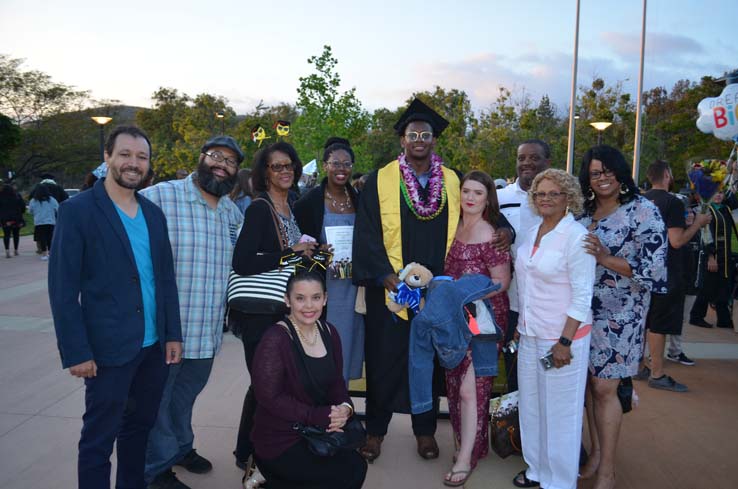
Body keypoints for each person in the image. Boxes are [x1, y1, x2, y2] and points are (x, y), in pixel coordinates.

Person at [352, 98, 514, 462]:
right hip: (393, 290)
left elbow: (481, 210)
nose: (420, 139)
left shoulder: (453, 181)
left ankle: (424, 431)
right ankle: (375, 431)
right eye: (413, 134)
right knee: (383, 360)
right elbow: (366, 233)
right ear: (403, 141)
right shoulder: (379, 180)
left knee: (431, 360)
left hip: (439, 293)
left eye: (426, 134)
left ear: (434, 141)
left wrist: (505, 230)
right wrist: (386, 276)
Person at [48, 125, 183, 489]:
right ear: (107, 157)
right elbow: (62, 289)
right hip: (107, 350)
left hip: (153, 348)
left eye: (141, 157)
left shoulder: (153, 214)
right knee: (98, 438)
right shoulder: (77, 211)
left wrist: (172, 334)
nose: (133, 163)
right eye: (125, 154)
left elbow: (165, 279)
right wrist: (76, 351)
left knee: (138, 430)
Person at [140, 135, 245, 489]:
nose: (222, 165)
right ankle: (156, 470)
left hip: (206, 333)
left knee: (183, 399)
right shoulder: (160, 197)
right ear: (201, 157)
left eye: (231, 162)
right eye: (216, 156)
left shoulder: (232, 212)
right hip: (165, 331)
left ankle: (182, 448)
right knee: (158, 401)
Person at [577, 146, 667, 489]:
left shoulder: (643, 212)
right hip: (582, 309)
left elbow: (654, 272)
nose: (602, 178)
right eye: (595, 173)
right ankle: (597, 452)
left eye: (608, 171)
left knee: (604, 387)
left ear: (621, 172)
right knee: (587, 384)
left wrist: (605, 257)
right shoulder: (582, 212)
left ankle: (607, 471)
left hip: (622, 313)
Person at [231, 142, 319, 470]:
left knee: (268, 384)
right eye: (276, 166)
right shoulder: (259, 208)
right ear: (264, 173)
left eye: (289, 165)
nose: (285, 171)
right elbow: (242, 262)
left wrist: (309, 252)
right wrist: (292, 252)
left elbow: (289, 254)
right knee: (266, 385)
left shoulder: (287, 207)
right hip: (258, 313)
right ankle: (250, 454)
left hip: (277, 311)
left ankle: (250, 450)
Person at [511, 169, 595, 489]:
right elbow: (526, 282)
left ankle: (559, 481)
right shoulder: (532, 232)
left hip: (562, 339)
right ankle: (536, 471)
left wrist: (565, 342)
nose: (545, 199)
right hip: (530, 333)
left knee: (561, 415)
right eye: (539, 194)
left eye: (553, 193)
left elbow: (583, 295)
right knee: (531, 408)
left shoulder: (577, 237)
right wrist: (521, 325)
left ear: (568, 198)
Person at [250, 270, 367, 488]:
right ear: (287, 300)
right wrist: (320, 416)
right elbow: (270, 399)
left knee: (356, 466)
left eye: (316, 297)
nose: (309, 306)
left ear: (325, 299)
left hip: (315, 430)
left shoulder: (329, 332)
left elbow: (336, 384)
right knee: (343, 476)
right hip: (279, 437)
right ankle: (264, 472)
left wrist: (344, 409)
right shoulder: (274, 340)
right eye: (300, 298)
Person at [441, 170, 510, 486]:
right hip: (453, 319)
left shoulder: (491, 233)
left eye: (477, 193)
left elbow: (501, 282)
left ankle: (466, 459)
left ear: (487, 198)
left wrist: (466, 293)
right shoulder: (451, 227)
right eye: (465, 191)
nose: (469, 197)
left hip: (483, 319)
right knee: (456, 386)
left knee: (472, 389)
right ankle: (467, 444)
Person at [294, 137, 364, 383]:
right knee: (323, 345)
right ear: (325, 165)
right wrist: (319, 252)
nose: (341, 169)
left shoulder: (360, 201)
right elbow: (300, 250)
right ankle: (324, 408)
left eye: (347, 164)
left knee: (348, 346)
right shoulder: (308, 203)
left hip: (354, 287)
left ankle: (342, 403)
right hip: (324, 288)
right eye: (335, 163)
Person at [639, 160, 711, 392]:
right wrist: (698, 224)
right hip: (666, 272)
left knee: (644, 321)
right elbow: (676, 240)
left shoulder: (639, 200)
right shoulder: (672, 202)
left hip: (641, 270)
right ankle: (657, 373)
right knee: (659, 324)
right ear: (667, 175)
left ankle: (640, 365)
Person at [497, 139, 551, 391]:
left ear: (546, 162)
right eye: (521, 158)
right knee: (513, 370)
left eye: (534, 158)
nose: (527, 163)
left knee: (546, 370)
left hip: (548, 304)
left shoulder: (558, 200)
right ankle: (514, 429)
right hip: (512, 302)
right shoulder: (500, 198)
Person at [689, 189, 738, 329]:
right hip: (712, 254)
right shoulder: (706, 210)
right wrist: (711, 256)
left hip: (726, 254)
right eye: (715, 192)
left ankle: (723, 319)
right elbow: (705, 234)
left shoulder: (726, 208)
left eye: (721, 193)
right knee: (708, 287)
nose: (718, 195)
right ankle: (696, 316)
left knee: (724, 286)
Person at [28, 183, 58, 261]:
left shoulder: (33, 200)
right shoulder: (51, 199)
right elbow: (57, 208)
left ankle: (44, 254)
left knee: (42, 238)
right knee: (50, 237)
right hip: (50, 221)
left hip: (39, 222)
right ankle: (51, 253)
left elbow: (30, 211)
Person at [0, 184, 25, 258]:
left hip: (5, 219)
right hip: (16, 218)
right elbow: (23, 207)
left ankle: (7, 251)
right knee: (16, 234)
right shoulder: (17, 196)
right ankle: (16, 250)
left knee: (6, 235)